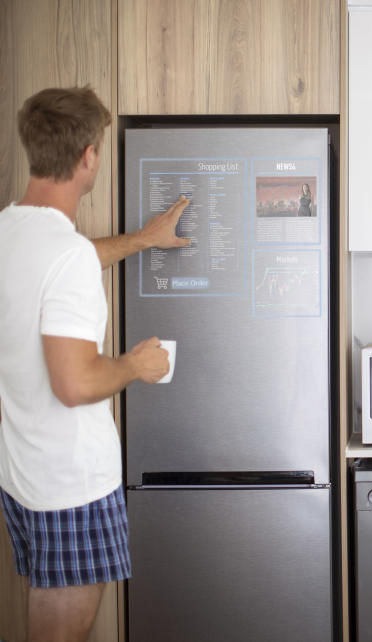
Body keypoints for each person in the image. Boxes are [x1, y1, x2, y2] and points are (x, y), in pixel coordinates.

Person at [0, 86, 190, 642]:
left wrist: (141, 240)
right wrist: (135, 365)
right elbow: (76, 381)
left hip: (24, 476)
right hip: (72, 487)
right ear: (89, 155)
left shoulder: (11, 231)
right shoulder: (66, 256)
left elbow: (60, 266)